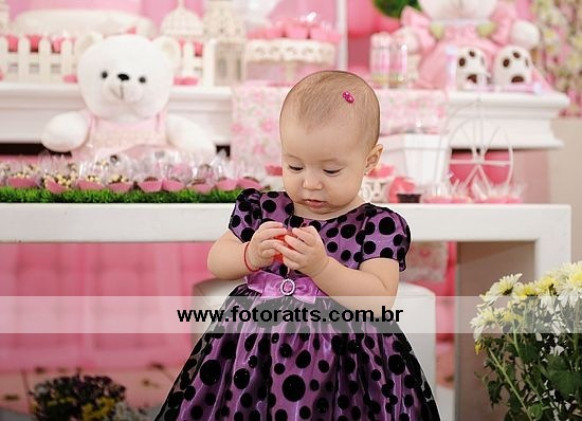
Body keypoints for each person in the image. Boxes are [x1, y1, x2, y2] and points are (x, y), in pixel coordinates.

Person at [156, 71, 440, 420]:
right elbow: (217, 260)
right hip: (253, 359)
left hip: (344, 367)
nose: (310, 183)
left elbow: (379, 299)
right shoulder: (263, 209)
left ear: (370, 160)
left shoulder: (376, 225)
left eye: (331, 171)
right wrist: (249, 254)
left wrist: (322, 267)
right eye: (294, 165)